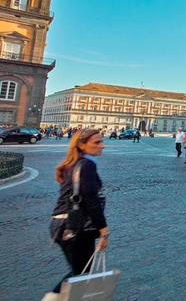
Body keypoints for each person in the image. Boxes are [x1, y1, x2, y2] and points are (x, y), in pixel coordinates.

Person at [44, 129, 109, 301]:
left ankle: (55, 297)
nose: (102, 145)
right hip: (74, 226)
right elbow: (90, 200)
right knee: (81, 273)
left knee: (79, 270)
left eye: (101, 141)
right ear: (81, 145)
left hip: (60, 225)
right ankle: (53, 297)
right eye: (97, 142)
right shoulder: (87, 165)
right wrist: (103, 229)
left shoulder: (72, 163)